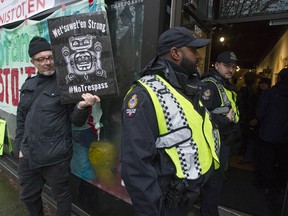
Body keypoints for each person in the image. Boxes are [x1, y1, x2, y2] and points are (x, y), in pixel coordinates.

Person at [120, 27, 221, 216]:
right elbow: (135, 166)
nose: (199, 56)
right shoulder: (144, 95)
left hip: (188, 196)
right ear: (175, 53)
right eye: (193, 50)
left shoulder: (186, 87)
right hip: (165, 205)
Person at [15, 36, 100, 216]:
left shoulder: (67, 84)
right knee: (29, 197)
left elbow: (76, 120)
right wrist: (19, 147)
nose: (47, 62)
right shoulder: (28, 84)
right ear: (33, 62)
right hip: (29, 155)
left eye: (50, 57)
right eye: (41, 59)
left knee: (62, 198)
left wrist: (83, 106)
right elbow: (22, 117)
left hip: (55, 157)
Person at [199, 51, 240, 216]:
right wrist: (226, 121)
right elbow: (200, 115)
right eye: (226, 66)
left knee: (216, 181)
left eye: (233, 67)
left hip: (224, 141)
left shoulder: (225, 84)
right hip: (215, 142)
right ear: (216, 65)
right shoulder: (210, 85)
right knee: (214, 182)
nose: (230, 70)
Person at [256, 68, 288, 194]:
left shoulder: (268, 93)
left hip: (268, 133)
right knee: (283, 162)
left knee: (266, 161)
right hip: (285, 136)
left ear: (278, 78)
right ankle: (280, 185)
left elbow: (260, 113)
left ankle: (265, 185)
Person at [238, 72, 258, 163]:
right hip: (252, 117)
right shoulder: (256, 90)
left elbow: (241, 104)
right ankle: (248, 157)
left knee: (244, 138)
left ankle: (243, 157)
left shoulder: (243, 89)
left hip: (244, 117)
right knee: (251, 139)